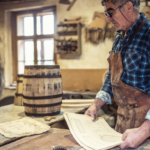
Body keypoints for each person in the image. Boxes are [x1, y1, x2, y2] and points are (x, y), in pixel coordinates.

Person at [85, 0, 150, 149]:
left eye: (110, 12)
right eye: (106, 14)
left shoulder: (148, 33)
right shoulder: (119, 37)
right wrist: (96, 103)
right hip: (122, 124)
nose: (108, 19)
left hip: (145, 131)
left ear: (128, 7)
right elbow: (113, 76)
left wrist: (144, 131)